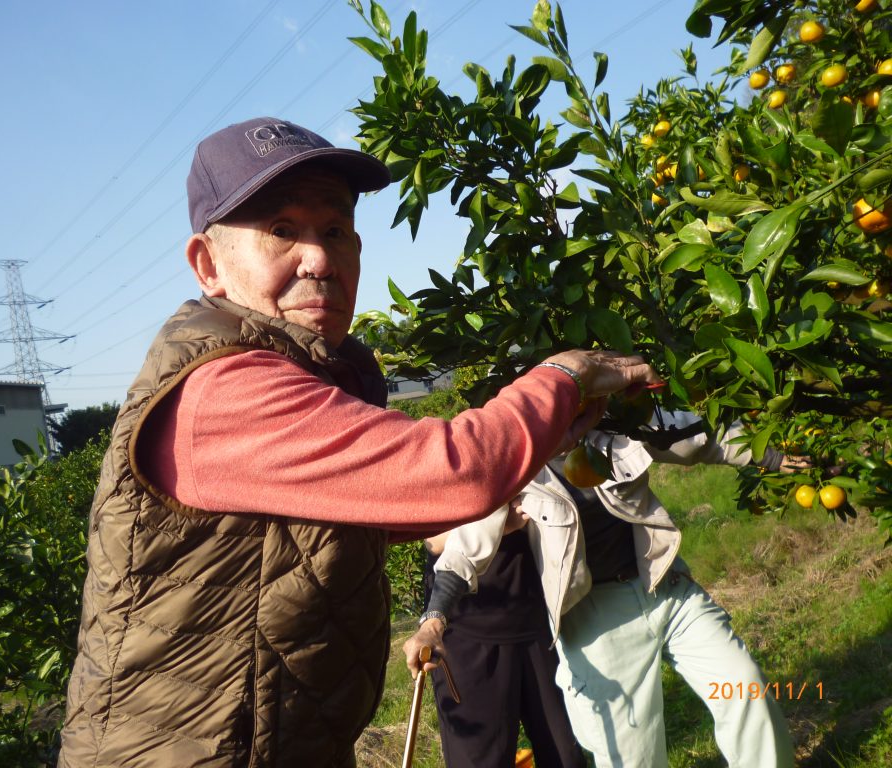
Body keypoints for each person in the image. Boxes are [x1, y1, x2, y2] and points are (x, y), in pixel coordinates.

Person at [57, 116, 662, 768]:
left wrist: (540, 444)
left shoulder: (300, 380)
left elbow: (362, 516)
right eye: (281, 231)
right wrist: (565, 375)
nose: (318, 257)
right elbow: (452, 472)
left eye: (336, 231)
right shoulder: (222, 390)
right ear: (208, 264)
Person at [407, 410, 801, 768]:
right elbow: (463, 553)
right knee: (635, 756)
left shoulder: (617, 430)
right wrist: (434, 620)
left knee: (744, 686)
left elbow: (697, 438)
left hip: (665, 588)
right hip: (599, 617)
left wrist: (774, 457)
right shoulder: (513, 468)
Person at [422, 511, 587, 768]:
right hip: (467, 632)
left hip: (539, 623)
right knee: (482, 760)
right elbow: (432, 539)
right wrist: (499, 526)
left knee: (567, 756)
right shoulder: (435, 470)